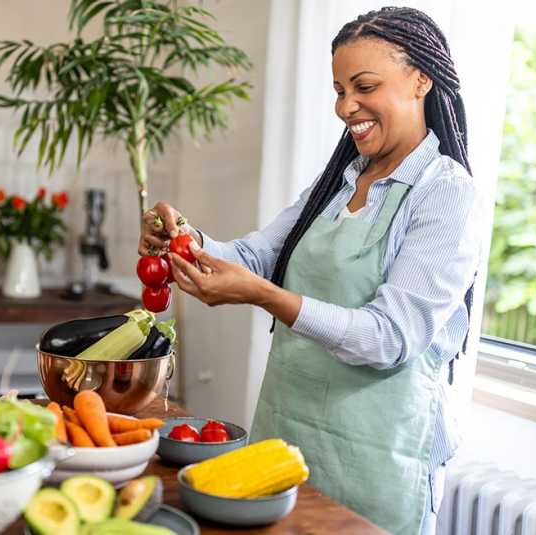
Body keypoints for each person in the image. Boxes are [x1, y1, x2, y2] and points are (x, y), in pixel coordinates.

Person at [139, 7, 480, 534]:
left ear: (421, 80)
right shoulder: (338, 184)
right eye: (340, 90)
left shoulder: (444, 193)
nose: (347, 107)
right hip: (285, 439)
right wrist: (186, 240)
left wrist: (266, 297)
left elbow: (390, 337)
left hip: (376, 459)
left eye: (364, 86)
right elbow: (255, 258)